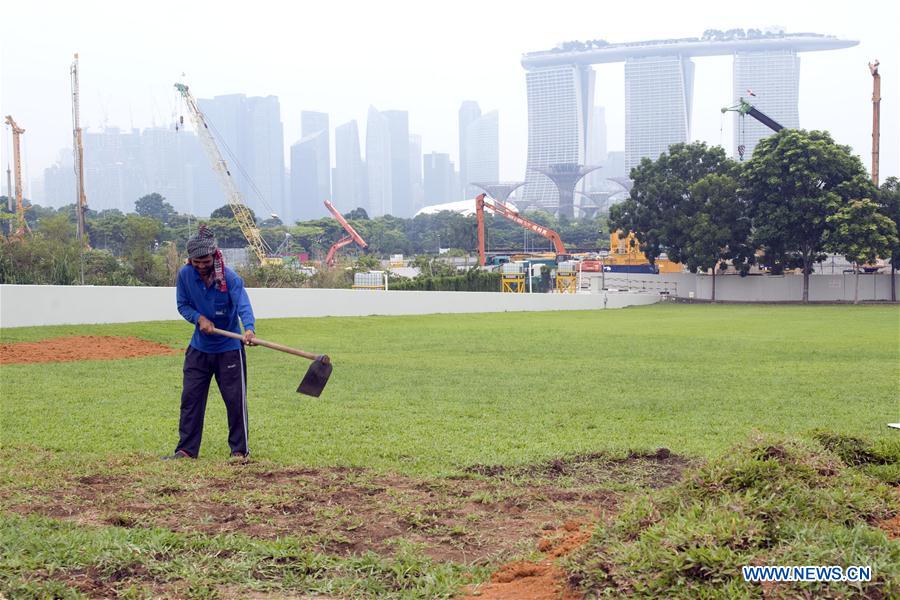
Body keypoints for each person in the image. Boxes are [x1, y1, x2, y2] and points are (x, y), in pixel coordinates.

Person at [164, 224, 256, 460]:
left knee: (235, 402)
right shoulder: (185, 275)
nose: (202, 265)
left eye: (206, 260)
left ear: (214, 256)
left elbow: (243, 305)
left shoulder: (230, 278)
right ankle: (186, 450)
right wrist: (199, 318)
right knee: (190, 400)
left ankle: (239, 451)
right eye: (197, 262)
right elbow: (183, 305)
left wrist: (249, 330)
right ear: (191, 260)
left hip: (229, 350)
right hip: (199, 350)